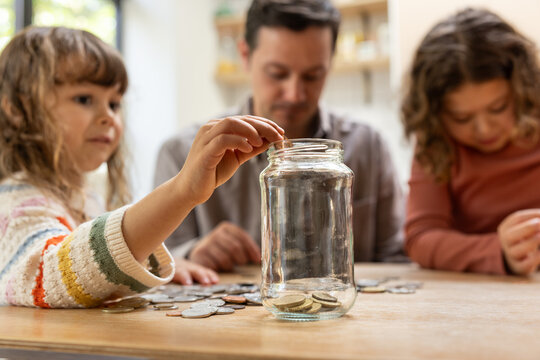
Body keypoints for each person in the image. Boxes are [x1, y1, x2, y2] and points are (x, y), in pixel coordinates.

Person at [0, 26, 284, 308]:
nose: (108, 117)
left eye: (114, 103)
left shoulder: (85, 198)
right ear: (17, 109)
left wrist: (155, 266)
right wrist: (181, 191)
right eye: (84, 99)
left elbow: (95, 278)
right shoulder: (16, 205)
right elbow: (50, 276)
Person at [154, 0, 405, 274]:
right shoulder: (181, 152)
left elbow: (397, 260)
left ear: (331, 63)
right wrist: (192, 253)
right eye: (277, 73)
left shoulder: (369, 147)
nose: (295, 94)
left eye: (312, 76)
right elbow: (155, 262)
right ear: (245, 55)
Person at [401, 8, 540, 276]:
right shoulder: (436, 142)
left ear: (523, 90)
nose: (484, 129)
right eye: (461, 118)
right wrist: (497, 250)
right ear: (435, 113)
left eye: (498, 108)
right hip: (481, 295)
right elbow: (421, 238)